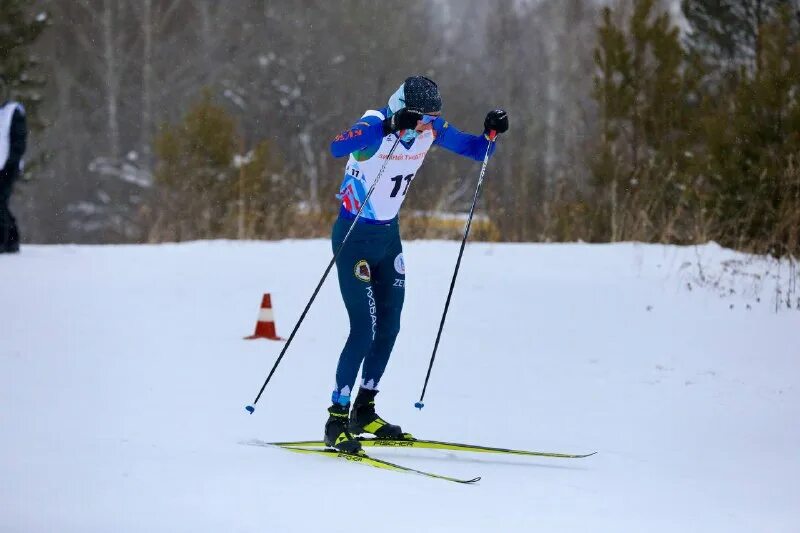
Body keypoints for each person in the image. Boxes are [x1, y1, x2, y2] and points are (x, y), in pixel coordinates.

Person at [325, 75, 508, 453]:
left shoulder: (431, 130)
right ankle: (336, 419)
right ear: (404, 110)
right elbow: (337, 146)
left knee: (389, 326)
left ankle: (364, 409)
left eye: (434, 118)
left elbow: (477, 151)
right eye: (424, 117)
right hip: (353, 238)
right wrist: (389, 126)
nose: (430, 125)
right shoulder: (374, 123)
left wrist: (491, 133)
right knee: (363, 329)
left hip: (388, 241)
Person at [0, 76, 27, 254]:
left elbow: (18, 140)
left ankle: (3, 240)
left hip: (7, 167)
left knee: (0, 202)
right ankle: (11, 240)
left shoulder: (11, 111)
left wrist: (12, 163)